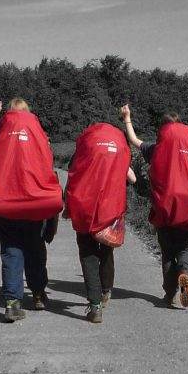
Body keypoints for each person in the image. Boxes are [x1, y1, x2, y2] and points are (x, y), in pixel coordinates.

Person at [120, 96, 188, 308]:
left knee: (167, 252)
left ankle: (169, 294)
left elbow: (135, 141)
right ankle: (186, 279)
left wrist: (127, 118)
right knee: (185, 249)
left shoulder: (156, 148)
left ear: (162, 129)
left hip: (164, 210)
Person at [0, 98, 63, 323]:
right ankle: (38, 294)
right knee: (35, 249)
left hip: (7, 204)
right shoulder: (39, 137)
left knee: (11, 252)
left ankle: (12, 303)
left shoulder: (0, 137)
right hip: (34, 203)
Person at [64, 121, 136, 324]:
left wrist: (68, 203)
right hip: (110, 209)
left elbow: (71, 176)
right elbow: (133, 179)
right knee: (106, 250)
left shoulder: (82, 153)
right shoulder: (118, 154)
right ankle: (106, 292)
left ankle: (95, 306)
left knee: (88, 255)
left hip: (85, 208)